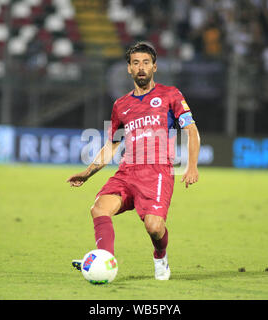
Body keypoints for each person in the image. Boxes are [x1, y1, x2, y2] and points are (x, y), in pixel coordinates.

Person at [67, 42, 200, 280]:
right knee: (99, 209)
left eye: (146, 63)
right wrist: (87, 173)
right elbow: (112, 145)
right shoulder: (121, 105)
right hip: (127, 171)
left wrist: (192, 166)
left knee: (154, 227)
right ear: (128, 69)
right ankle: (103, 261)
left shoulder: (170, 94)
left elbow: (191, 130)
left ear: (154, 67)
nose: (141, 68)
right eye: (136, 63)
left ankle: (160, 256)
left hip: (157, 171)